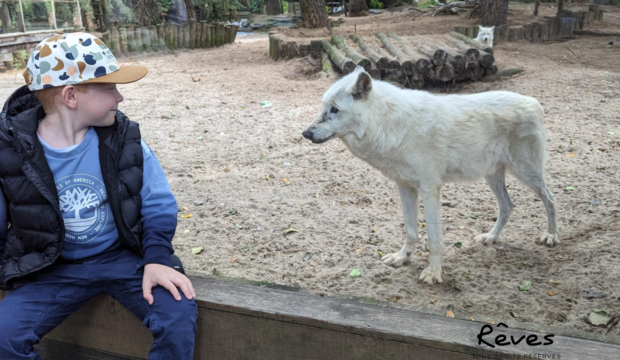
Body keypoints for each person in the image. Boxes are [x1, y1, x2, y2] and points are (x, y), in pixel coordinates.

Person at [0, 31, 198, 359]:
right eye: (110, 88)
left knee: (178, 313)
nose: (119, 98)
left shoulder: (124, 138)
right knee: (4, 336)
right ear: (71, 96)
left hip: (123, 258)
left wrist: (158, 260)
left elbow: (158, 203)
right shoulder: (10, 149)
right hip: (52, 267)